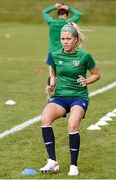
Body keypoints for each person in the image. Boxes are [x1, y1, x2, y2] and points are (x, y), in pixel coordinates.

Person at [39, 22, 100, 176]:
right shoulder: (55, 54)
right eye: (62, 39)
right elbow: (53, 74)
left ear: (75, 40)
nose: (64, 41)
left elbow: (96, 74)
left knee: (72, 125)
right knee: (45, 118)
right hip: (60, 97)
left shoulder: (85, 56)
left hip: (78, 97)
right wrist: (51, 86)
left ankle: (74, 165)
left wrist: (87, 81)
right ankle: (52, 161)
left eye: (67, 38)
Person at [42, 3, 82, 84]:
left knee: (52, 75)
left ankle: (49, 95)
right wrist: (69, 8)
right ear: (66, 15)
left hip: (52, 52)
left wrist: (54, 7)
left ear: (58, 15)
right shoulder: (68, 22)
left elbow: (44, 12)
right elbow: (79, 14)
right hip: (65, 52)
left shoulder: (51, 22)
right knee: (66, 74)